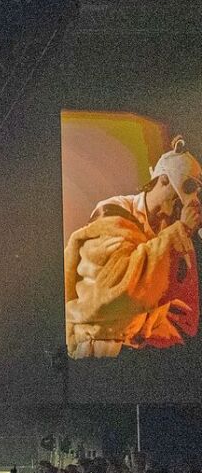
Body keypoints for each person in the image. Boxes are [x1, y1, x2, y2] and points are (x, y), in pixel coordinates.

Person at [65, 136, 202, 357]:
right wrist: (181, 230)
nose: (179, 210)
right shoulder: (111, 213)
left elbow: (185, 315)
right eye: (176, 201)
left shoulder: (171, 228)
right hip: (102, 350)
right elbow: (116, 290)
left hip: (146, 353)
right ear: (163, 180)